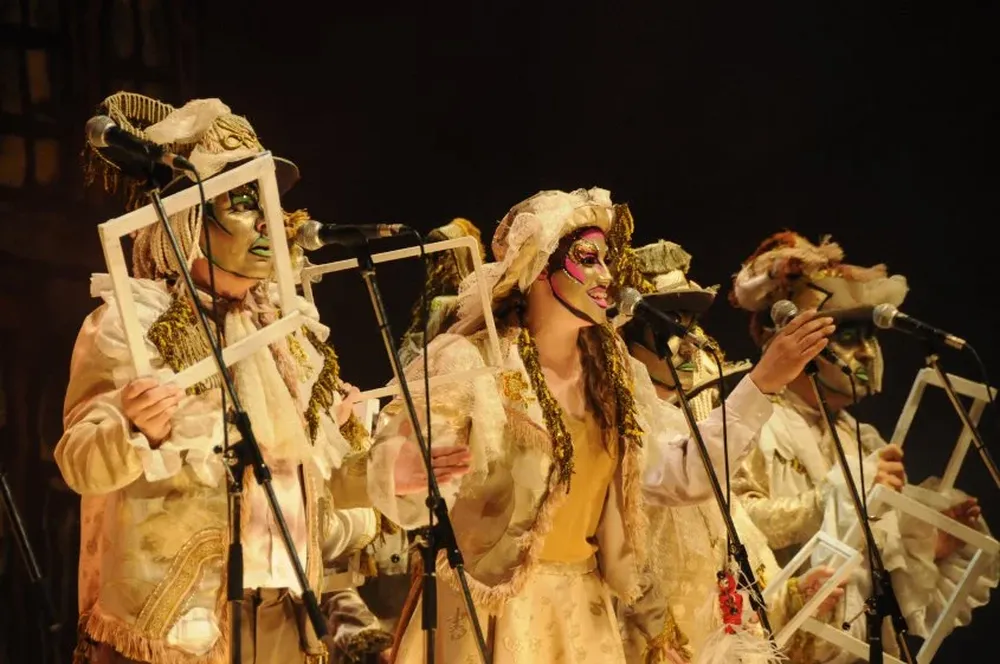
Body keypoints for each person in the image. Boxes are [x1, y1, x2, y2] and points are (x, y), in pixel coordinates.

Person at [365, 188, 834, 663]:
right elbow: (408, 476)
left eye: (605, 261)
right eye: (587, 259)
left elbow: (681, 475)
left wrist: (761, 384)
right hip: (490, 610)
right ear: (538, 269)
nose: (605, 276)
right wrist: (401, 475)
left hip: (582, 610)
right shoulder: (472, 362)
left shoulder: (613, 377)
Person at [57, 92, 421, 663]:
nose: (266, 222)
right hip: (181, 622)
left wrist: (386, 471)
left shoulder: (288, 338)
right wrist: (135, 429)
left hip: (286, 613)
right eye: (244, 203)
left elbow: (312, 473)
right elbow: (79, 458)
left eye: (268, 205)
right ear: (191, 219)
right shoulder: (131, 323)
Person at [730, 231, 999, 661]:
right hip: (780, 637)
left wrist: (924, 544)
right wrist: (834, 493)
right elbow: (740, 524)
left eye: (868, 337)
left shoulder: (858, 436)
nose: (868, 353)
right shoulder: (754, 422)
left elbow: (864, 554)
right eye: (849, 336)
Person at [610, 227, 843, 663]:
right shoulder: (621, 425)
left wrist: (791, 594)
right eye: (666, 324)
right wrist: (763, 382)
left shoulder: (696, 417)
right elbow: (685, 481)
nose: (684, 341)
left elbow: (733, 544)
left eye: (688, 322)